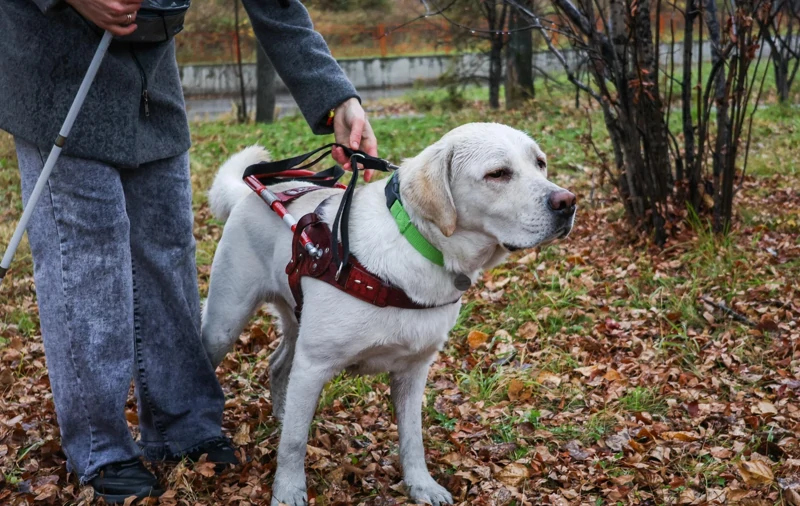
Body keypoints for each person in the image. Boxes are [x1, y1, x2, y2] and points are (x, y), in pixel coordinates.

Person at [0, 0, 378, 503]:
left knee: (169, 259)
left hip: (152, 87)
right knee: (86, 269)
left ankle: (182, 425)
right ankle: (101, 448)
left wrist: (337, 97)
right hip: (59, 79)